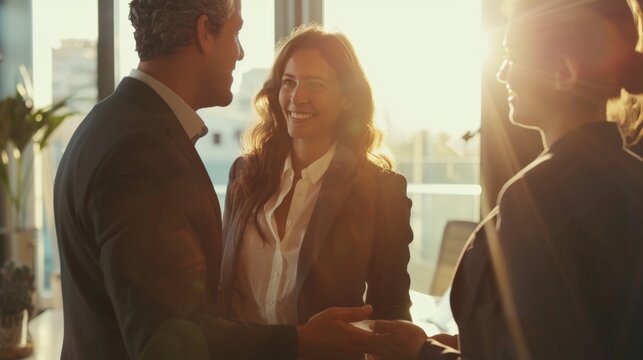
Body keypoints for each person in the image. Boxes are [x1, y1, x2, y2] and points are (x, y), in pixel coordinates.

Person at [54, 1, 385, 359]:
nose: (240, 53)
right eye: (236, 32)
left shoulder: (108, 122)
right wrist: (301, 340)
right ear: (203, 33)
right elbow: (165, 339)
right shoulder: (144, 151)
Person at [370, 0, 643, 359]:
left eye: (512, 58)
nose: (502, 74)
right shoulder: (631, 176)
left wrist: (422, 351)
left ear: (565, 72)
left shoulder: (539, 195)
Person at [219, 24, 413, 330]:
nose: (298, 97)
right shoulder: (244, 174)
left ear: (347, 98)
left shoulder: (381, 190)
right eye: (289, 82)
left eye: (316, 85)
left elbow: (391, 309)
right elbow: (223, 291)